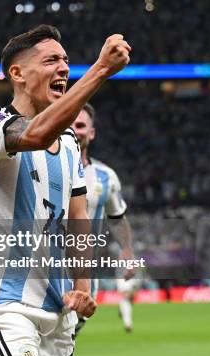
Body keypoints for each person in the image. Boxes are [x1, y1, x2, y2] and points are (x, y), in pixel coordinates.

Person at [0, 25, 130, 356]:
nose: (64, 68)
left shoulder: (70, 142)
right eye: (51, 60)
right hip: (7, 304)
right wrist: (100, 69)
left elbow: (78, 218)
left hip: (58, 312)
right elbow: (36, 133)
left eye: (67, 61)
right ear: (17, 73)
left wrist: (82, 286)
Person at [71, 103, 138, 334]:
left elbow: (117, 217)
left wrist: (127, 250)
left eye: (80, 125)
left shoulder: (106, 177)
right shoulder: (40, 169)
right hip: (43, 272)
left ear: (91, 132)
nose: (74, 130)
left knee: (65, 345)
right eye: (68, 124)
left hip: (86, 274)